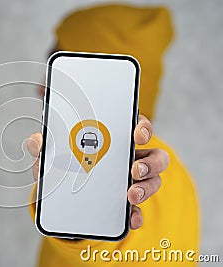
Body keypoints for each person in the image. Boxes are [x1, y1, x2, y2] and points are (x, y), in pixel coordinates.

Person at [26, 4, 199, 266]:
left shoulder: (158, 173)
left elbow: (128, 249)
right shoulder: (72, 155)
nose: (41, 88)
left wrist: (80, 236)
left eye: (58, 73)